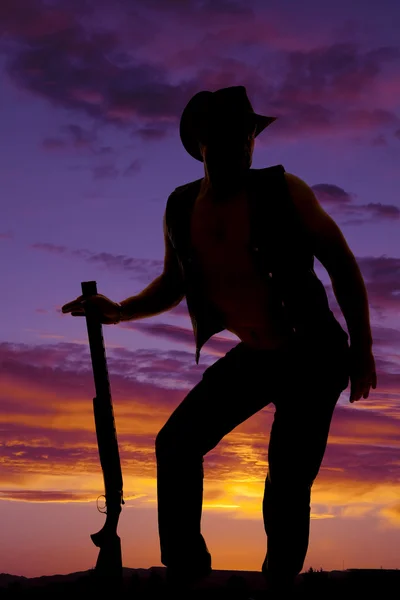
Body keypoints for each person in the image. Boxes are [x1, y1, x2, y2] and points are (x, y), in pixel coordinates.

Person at [62, 86, 377, 596]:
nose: (240, 148)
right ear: (201, 145)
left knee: (287, 484)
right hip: (257, 353)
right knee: (176, 444)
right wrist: (118, 312)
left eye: (246, 137)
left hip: (314, 354)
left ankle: (279, 583)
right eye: (226, 139)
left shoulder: (285, 191)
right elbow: (172, 283)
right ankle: (188, 576)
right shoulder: (182, 207)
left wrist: (362, 351)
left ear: (254, 141)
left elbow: (341, 264)